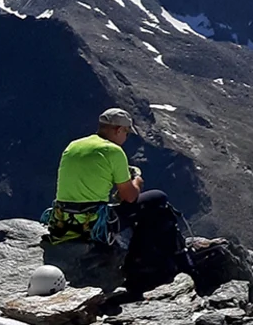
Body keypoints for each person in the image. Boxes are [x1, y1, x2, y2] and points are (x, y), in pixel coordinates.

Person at [43, 108, 190, 293]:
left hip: (63, 222)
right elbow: (129, 197)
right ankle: (140, 266)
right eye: (126, 132)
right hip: (92, 224)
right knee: (157, 199)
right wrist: (136, 180)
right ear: (118, 130)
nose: (126, 137)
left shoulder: (73, 146)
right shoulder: (114, 151)